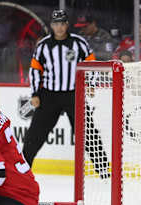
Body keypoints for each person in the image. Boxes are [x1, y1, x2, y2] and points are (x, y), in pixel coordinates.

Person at [23, 9, 109, 178]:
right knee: (35, 134)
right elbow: (35, 70)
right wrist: (35, 93)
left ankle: (104, 170)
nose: (59, 27)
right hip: (49, 95)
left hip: (73, 94)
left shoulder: (79, 43)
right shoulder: (44, 45)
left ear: (67, 25)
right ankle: (22, 170)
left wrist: (91, 85)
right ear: (51, 25)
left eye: (62, 23)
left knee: (88, 132)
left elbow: (92, 64)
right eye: (56, 24)